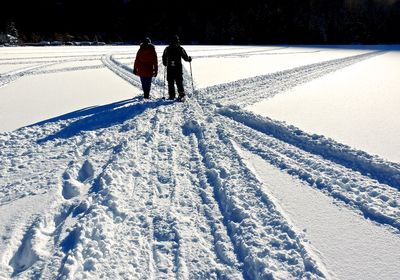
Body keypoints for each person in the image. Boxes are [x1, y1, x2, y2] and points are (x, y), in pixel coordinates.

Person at [162, 35, 192, 101]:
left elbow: (164, 57)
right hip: (178, 68)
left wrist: (165, 63)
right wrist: (189, 59)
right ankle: (181, 95)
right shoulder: (180, 48)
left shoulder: (167, 49)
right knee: (179, 81)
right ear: (177, 41)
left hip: (170, 68)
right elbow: (185, 57)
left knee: (170, 82)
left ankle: (172, 96)